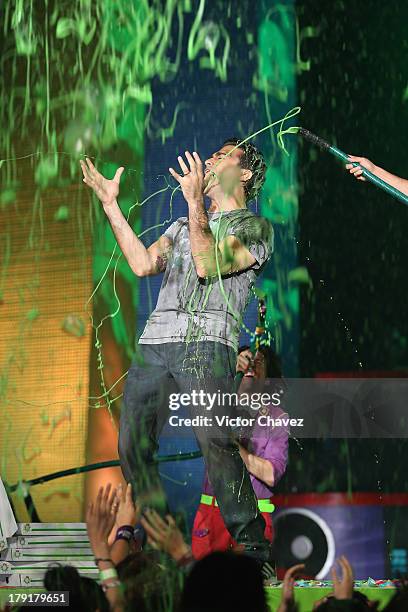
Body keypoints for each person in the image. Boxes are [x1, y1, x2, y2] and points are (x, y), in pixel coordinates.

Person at [80, 138, 275, 573]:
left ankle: (255, 549)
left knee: (216, 444)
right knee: (131, 444)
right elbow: (142, 263)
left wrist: (193, 203)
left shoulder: (255, 229)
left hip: (208, 345)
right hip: (156, 344)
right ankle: (158, 541)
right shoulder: (182, 226)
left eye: (222, 156)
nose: (209, 160)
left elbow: (208, 264)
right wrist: (111, 206)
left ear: (243, 174)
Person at [192, 344, 289, 561]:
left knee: (248, 590)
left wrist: (234, 447)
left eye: (259, 361)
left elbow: (272, 474)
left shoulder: (276, 417)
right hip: (211, 518)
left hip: (254, 518)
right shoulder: (216, 405)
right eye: (246, 359)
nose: (251, 364)